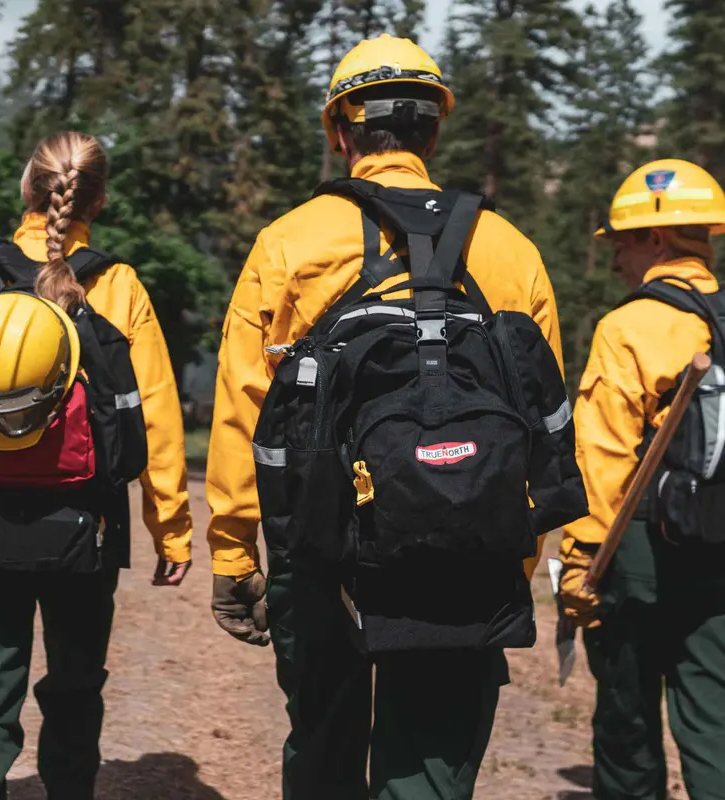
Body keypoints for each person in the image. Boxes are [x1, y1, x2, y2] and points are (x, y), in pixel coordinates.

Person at [206, 33, 566, 800]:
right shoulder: (511, 250)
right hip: (469, 543)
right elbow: (541, 418)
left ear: (341, 132)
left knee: (325, 739)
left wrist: (236, 553)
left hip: (321, 543)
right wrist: (514, 559)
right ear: (434, 129)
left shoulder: (289, 243)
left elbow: (244, 409)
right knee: (432, 763)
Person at [0, 131, 193, 800]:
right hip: (87, 525)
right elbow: (155, 413)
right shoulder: (119, 283)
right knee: (75, 689)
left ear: (27, 191)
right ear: (97, 201)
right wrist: (172, 529)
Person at [559, 159, 725, 800]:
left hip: (637, 555)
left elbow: (602, 458)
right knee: (713, 722)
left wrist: (580, 560)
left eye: (623, 242)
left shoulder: (630, 325)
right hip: (717, 551)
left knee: (627, 723)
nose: (617, 259)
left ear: (657, 239)